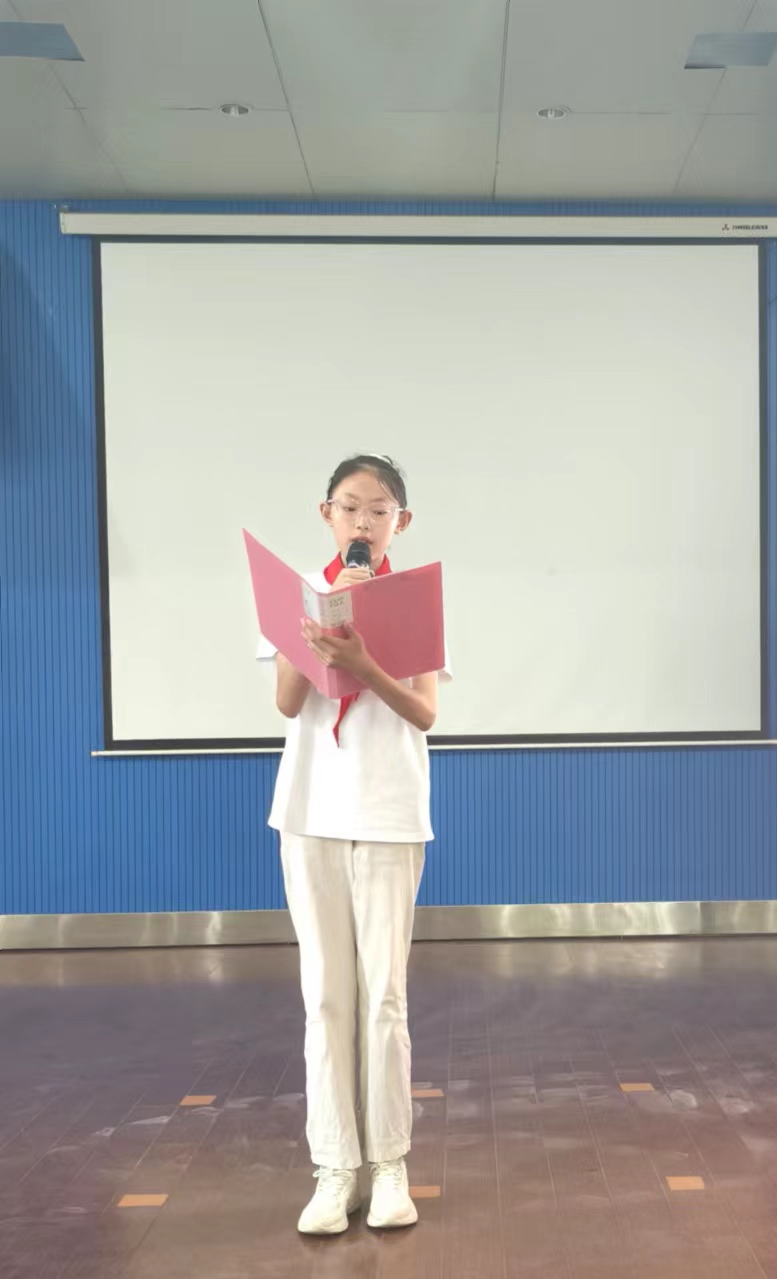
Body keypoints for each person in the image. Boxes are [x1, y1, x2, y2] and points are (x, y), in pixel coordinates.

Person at [257, 454, 450, 1235]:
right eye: (349, 506)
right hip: (310, 810)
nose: (363, 521)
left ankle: (390, 1164)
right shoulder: (300, 593)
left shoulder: (415, 598)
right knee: (326, 997)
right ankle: (334, 1168)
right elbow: (286, 701)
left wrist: (365, 660)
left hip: (390, 811)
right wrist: (316, 642)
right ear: (326, 513)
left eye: (378, 509)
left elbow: (425, 712)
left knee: (384, 998)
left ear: (401, 521)